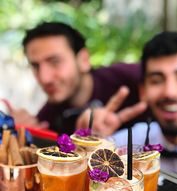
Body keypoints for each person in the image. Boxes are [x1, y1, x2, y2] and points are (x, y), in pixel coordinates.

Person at [82, 31, 177, 179]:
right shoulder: (129, 142)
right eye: (156, 80)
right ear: (143, 91)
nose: (170, 92)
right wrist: (92, 143)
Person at [8, 21, 147, 134]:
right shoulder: (47, 118)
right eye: (36, 66)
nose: (45, 78)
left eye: (55, 61)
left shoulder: (131, 77)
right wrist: (20, 134)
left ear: (83, 60)